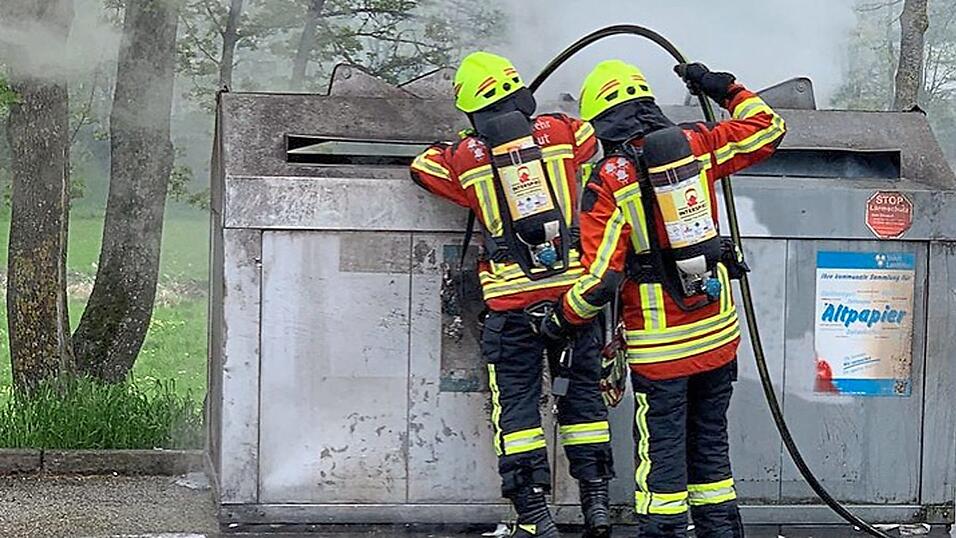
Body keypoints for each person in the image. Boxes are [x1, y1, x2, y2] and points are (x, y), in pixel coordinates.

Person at [539, 59, 786, 537]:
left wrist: (559, 320)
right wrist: (722, 86)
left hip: (663, 353)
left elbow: (600, 282)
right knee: (711, 447)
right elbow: (769, 127)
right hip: (718, 337)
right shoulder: (695, 144)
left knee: (662, 467)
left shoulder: (608, 179)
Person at [409, 51, 614, 538]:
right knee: (584, 401)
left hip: (511, 307)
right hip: (571, 302)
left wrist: (467, 141)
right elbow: (590, 137)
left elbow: (422, 168)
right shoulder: (563, 132)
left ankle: (535, 516)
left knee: (518, 411)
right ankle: (597, 506)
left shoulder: (464, 158)